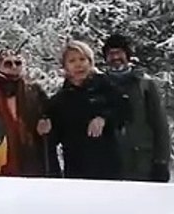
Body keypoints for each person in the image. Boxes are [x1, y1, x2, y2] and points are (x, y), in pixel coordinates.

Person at [39, 40, 128, 180]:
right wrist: (45, 125)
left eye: (82, 59)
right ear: (65, 67)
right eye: (72, 61)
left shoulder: (106, 87)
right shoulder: (61, 99)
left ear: (90, 62)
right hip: (76, 170)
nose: (78, 64)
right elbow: (51, 138)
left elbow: (124, 111)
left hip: (109, 167)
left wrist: (103, 118)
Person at [101, 35, 172, 182]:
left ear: (127, 55)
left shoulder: (144, 85)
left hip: (142, 163)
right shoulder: (99, 85)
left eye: (119, 52)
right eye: (110, 54)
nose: (115, 57)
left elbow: (159, 125)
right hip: (110, 165)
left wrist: (161, 162)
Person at [0, 50, 49, 177]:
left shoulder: (34, 92)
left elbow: (49, 112)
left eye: (18, 63)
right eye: (8, 64)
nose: (14, 67)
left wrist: (45, 120)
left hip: (32, 159)